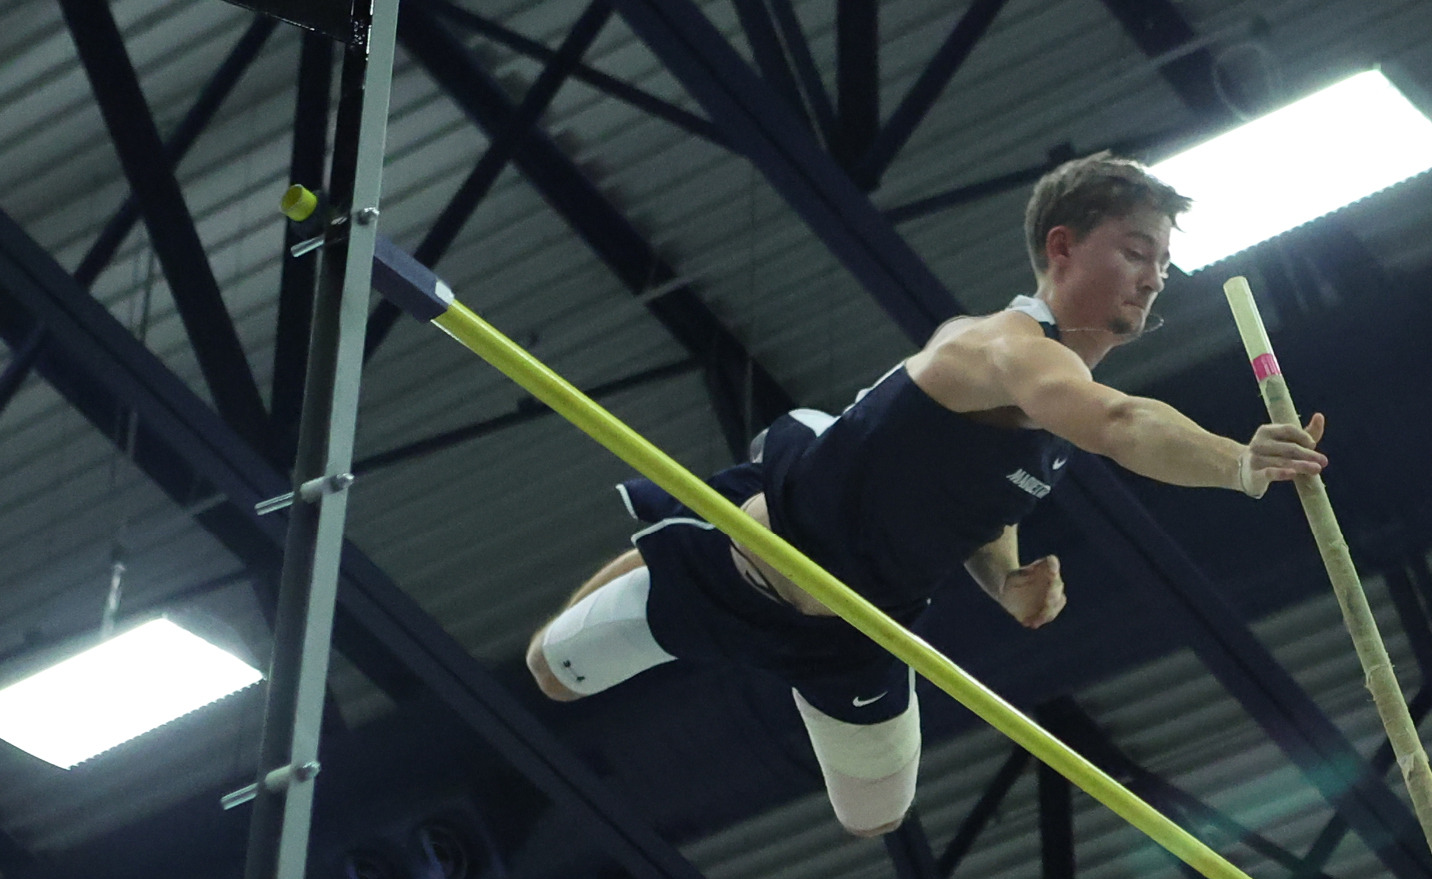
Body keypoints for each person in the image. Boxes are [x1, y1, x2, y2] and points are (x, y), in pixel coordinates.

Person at [526, 151, 1328, 837]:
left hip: (853, 634)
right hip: (749, 567)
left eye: (1161, 260)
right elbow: (1122, 420)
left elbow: (981, 511)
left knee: (874, 818)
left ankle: (739, 521)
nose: (1156, 277)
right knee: (550, 672)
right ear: (1062, 247)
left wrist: (1008, 586)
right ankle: (677, 540)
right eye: (1135, 251)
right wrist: (1238, 463)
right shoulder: (1006, 349)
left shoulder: (1046, 418)